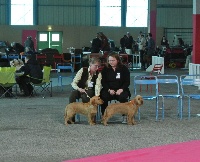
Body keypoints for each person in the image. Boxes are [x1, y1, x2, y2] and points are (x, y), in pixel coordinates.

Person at [69, 57, 102, 122]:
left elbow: (98, 86)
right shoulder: (82, 70)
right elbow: (73, 83)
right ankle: (71, 118)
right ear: (90, 64)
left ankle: (91, 117)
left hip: (90, 91)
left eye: (98, 66)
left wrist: (97, 96)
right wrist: (78, 88)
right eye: (96, 66)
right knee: (72, 95)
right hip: (80, 89)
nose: (97, 68)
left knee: (85, 96)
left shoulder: (98, 74)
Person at [100, 53, 131, 123]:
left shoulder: (124, 69)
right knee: (103, 97)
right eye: (109, 60)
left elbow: (127, 82)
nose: (111, 62)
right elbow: (103, 82)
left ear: (117, 60)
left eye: (113, 60)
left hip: (121, 89)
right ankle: (104, 116)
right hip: (109, 89)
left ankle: (125, 116)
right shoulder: (105, 69)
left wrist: (121, 89)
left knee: (123, 97)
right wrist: (109, 89)